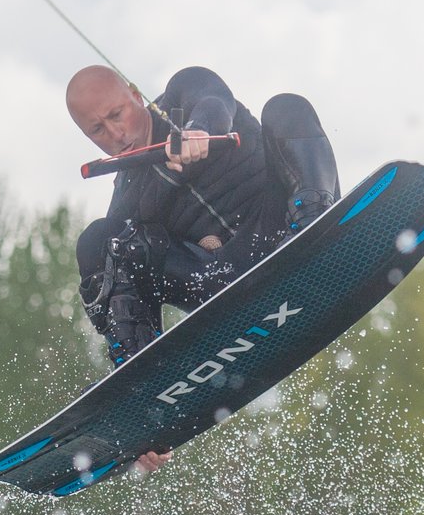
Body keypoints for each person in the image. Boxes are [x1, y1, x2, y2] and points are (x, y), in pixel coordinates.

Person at [66, 65, 340, 468]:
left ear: (136, 97)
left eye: (117, 115)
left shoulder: (183, 97)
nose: (116, 135)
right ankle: (140, 383)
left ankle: (317, 232)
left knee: (286, 108)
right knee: (100, 241)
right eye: (97, 131)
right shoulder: (128, 198)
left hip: (283, 228)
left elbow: (213, 100)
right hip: (221, 281)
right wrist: (144, 431)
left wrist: (199, 131)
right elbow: (122, 271)